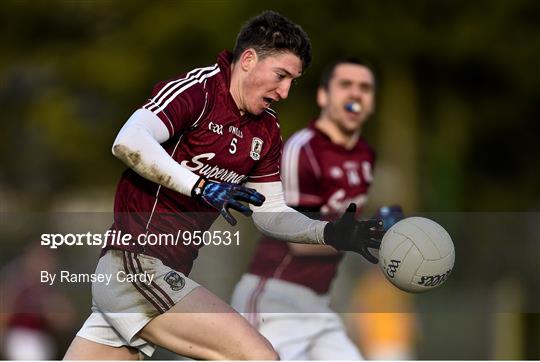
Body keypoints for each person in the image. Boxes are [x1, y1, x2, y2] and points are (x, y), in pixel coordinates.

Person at [63, 11, 383, 360]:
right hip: (135, 267)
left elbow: (270, 212)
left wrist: (330, 233)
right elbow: (129, 141)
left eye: (294, 81)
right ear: (247, 60)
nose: (286, 91)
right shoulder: (199, 92)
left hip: (152, 277)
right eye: (281, 76)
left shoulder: (266, 130)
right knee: (258, 357)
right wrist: (201, 185)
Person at [231, 58, 388, 360]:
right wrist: (364, 235)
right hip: (276, 299)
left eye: (365, 88)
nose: (355, 94)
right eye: (345, 85)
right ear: (323, 96)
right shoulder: (302, 149)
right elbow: (299, 241)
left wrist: (378, 229)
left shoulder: (366, 155)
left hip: (318, 304)